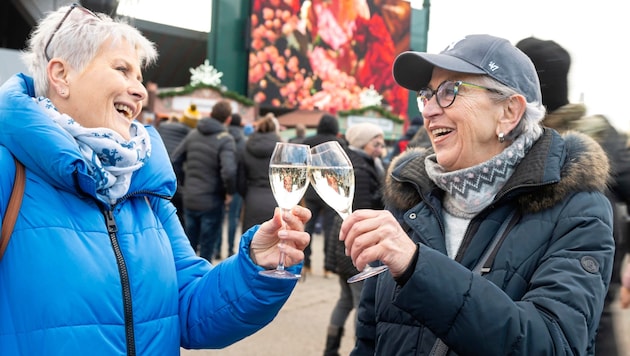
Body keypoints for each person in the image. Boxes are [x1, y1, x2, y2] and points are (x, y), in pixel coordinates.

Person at [0, 3, 311, 354]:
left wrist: (255, 265)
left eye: (139, 76)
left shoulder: (140, 187)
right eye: (122, 70)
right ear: (61, 76)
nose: (140, 90)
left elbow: (191, 311)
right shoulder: (8, 169)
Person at [340, 34, 615, 355]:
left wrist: (418, 268)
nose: (428, 109)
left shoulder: (578, 210)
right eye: (427, 94)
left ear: (509, 112)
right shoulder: (409, 197)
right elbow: (369, 341)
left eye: (449, 91)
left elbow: (553, 344)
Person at [516, 36, 630, 355]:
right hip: (602, 263)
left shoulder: (527, 141)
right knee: (595, 327)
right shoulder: (602, 132)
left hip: (555, 265)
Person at [323, 122, 386, 356]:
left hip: (342, 242)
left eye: (381, 142)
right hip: (353, 243)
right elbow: (360, 212)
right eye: (376, 143)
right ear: (362, 143)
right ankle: (362, 349)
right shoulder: (359, 168)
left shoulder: (365, 163)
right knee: (362, 303)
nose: (381, 148)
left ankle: (330, 349)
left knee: (345, 300)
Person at [171, 99, 237, 262]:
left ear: (211, 114)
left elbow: (174, 161)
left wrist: (183, 186)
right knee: (207, 249)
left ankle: (185, 282)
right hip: (212, 200)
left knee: (189, 246)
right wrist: (229, 192)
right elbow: (228, 171)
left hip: (190, 198)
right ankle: (202, 281)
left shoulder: (193, 134)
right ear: (228, 119)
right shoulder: (225, 139)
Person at [302, 113, 347, 277]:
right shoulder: (339, 143)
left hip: (311, 191)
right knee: (329, 229)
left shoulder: (308, 141)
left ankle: (305, 264)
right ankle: (328, 268)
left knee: (309, 228)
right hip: (330, 190)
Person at [237, 114, 284, 232]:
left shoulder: (246, 147)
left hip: (253, 199)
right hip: (277, 200)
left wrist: (246, 194)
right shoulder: (282, 148)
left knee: (250, 242)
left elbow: (240, 180)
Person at [156, 108, 193, 225]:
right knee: (178, 214)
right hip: (179, 180)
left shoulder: (160, 129)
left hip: (159, 175)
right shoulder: (189, 132)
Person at [220, 112, 247, 258]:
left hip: (221, 184)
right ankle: (230, 250)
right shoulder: (243, 141)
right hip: (237, 186)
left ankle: (217, 249)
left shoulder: (222, 137)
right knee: (233, 218)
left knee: (219, 218)